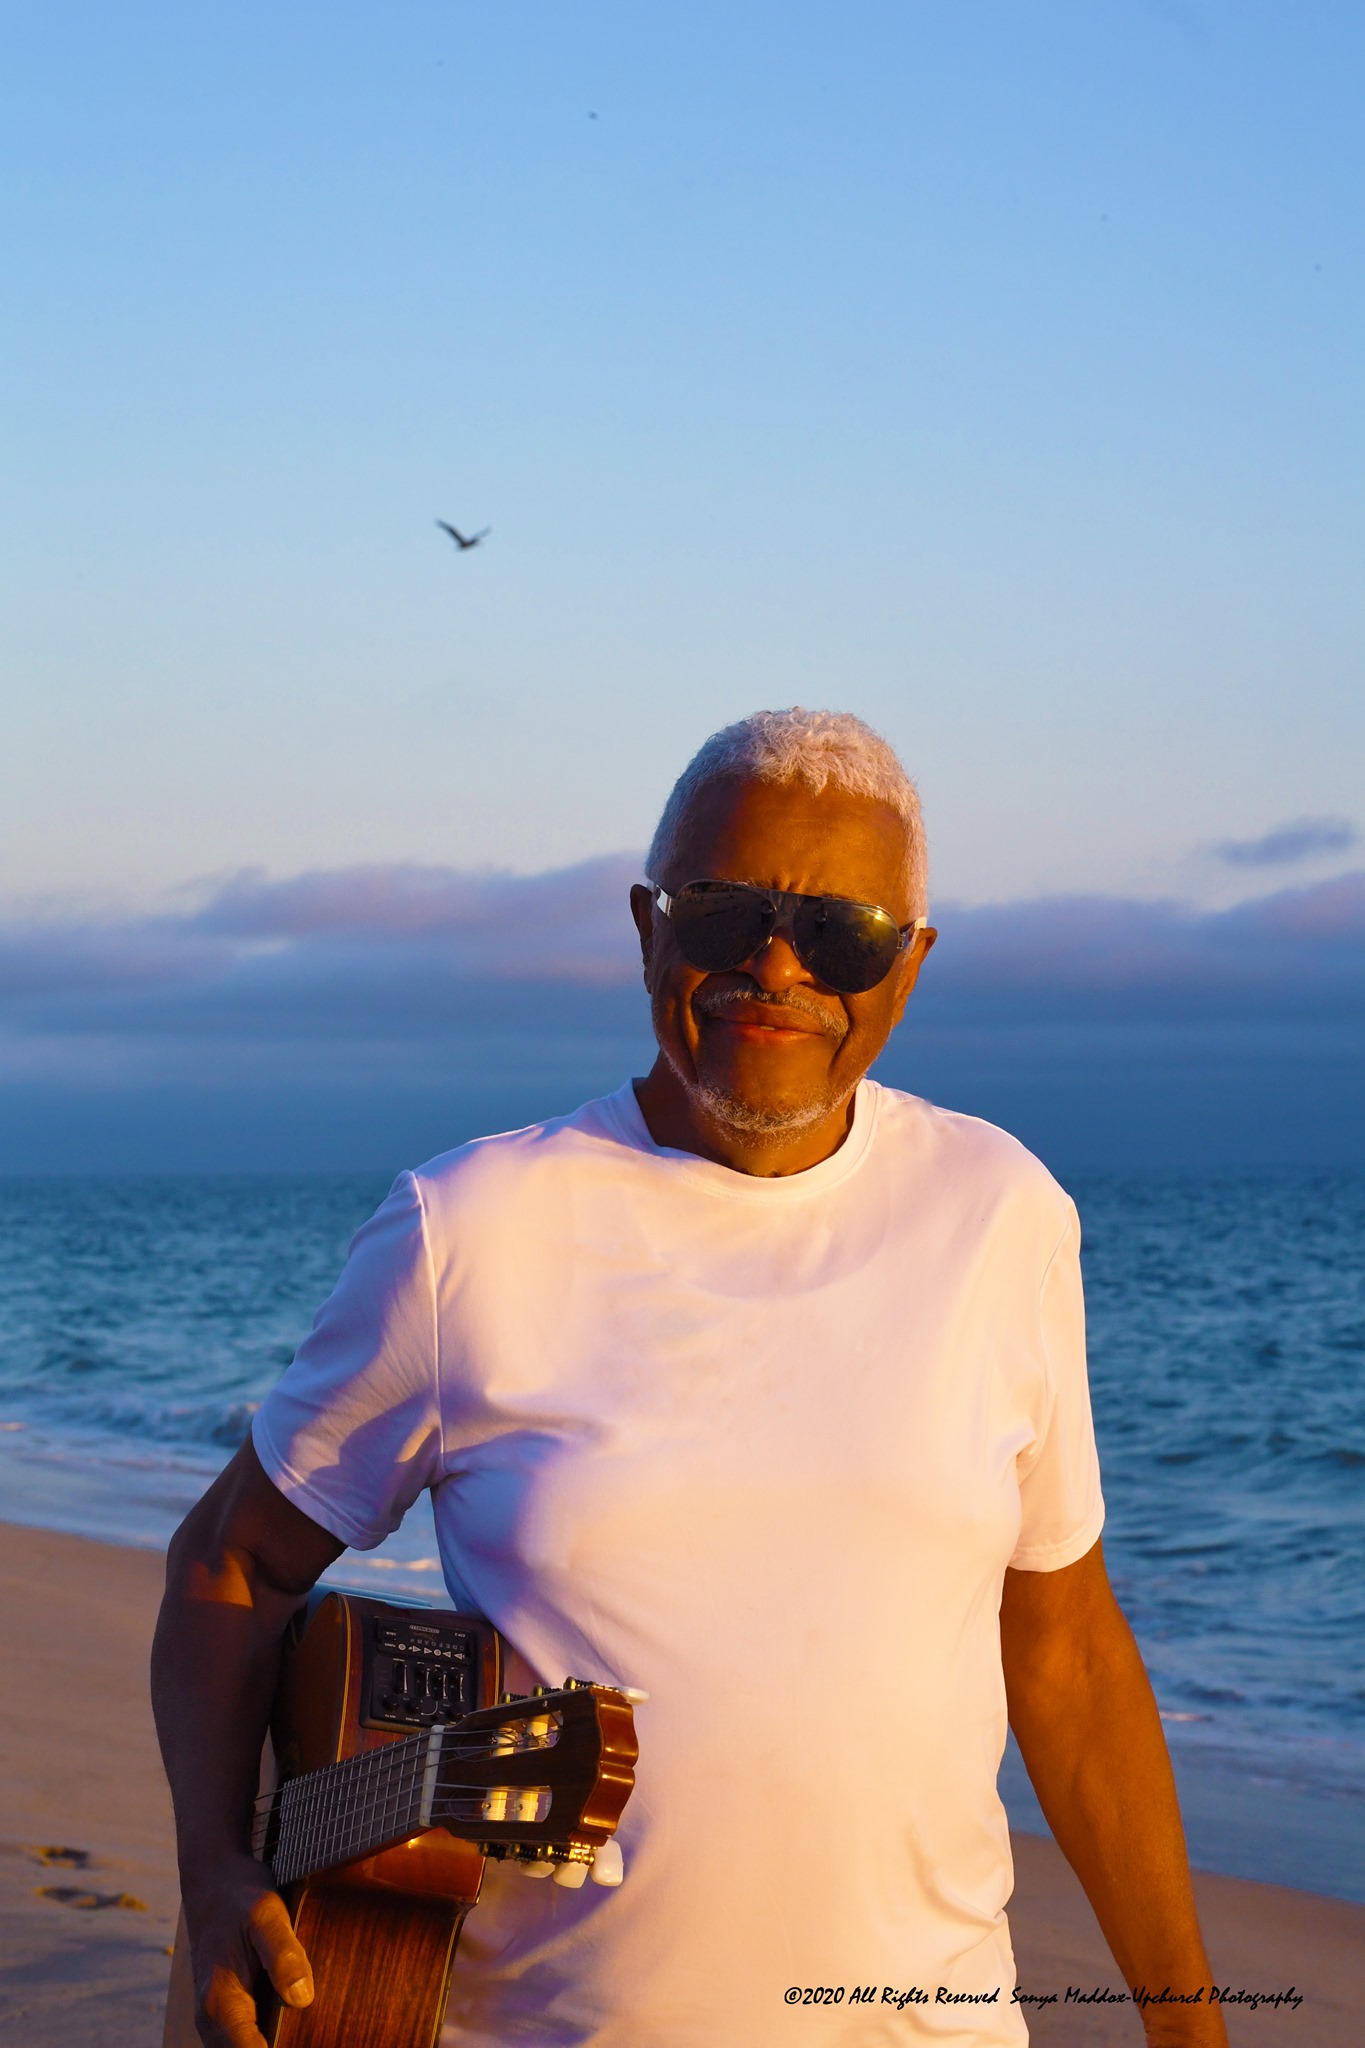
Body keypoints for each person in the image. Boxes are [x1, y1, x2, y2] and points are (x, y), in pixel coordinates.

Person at [152, 709, 1227, 2047]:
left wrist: (1190, 2026)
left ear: (908, 966)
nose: (774, 966)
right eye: (723, 913)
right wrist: (213, 1876)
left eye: (839, 934)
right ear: (646, 925)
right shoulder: (470, 1231)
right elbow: (232, 1563)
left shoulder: (1001, 1213)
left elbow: (1064, 1653)